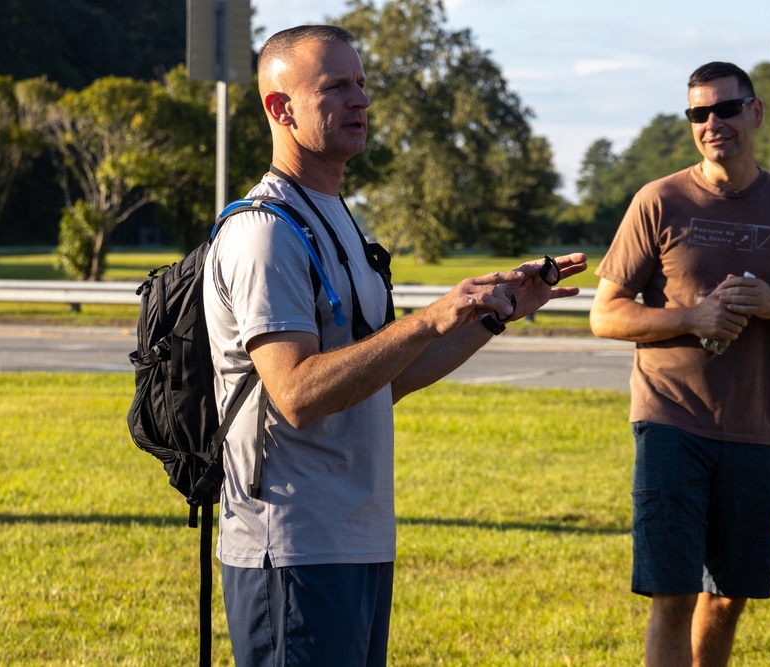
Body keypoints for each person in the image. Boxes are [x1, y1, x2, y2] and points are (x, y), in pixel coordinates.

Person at [202, 24, 588, 666]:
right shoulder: (264, 233)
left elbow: (383, 380)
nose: (361, 100)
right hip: (292, 547)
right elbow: (295, 392)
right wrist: (429, 318)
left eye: (361, 83)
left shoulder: (338, 221)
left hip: (357, 539)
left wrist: (491, 317)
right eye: (335, 86)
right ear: (280, 108)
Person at [589, 61, 770, 666]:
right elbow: (605, 315)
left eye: (725, 109)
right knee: (673, 592)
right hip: (671, 420)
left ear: (754, 112)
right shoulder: (660, 201)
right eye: (698, 114)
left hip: (756, 427)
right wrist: (691, 317)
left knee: (729, 596)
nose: (712, 124)